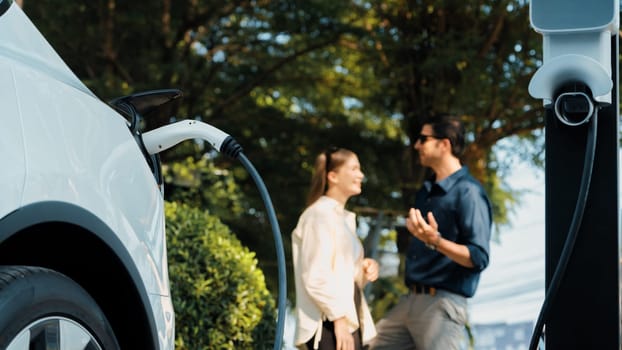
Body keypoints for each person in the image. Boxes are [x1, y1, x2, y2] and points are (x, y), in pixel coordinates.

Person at [370, 114, 493, 350]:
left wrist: (435, 241)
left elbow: (478, 257)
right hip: (411, 300)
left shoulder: (469, 192)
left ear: (444, 144)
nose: (417, 145)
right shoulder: (426, 191)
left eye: (423, 139)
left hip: (442, 304)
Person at [292, 147, 379, 350]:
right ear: (333, 176)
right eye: (354, 169)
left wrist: (365, 268)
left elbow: (344, 278)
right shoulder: (318, 215)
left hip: (347, 320)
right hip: (329, 325)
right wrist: (339, 321)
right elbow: (315, 276)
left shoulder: (344, 219)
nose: (361, 175)